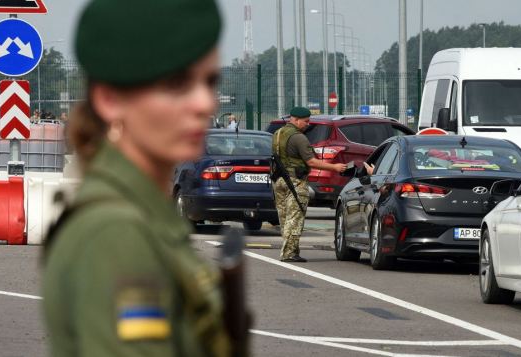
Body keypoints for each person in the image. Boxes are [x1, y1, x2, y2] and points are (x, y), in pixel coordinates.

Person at [41, 0, 232, 356]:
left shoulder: (142, 214)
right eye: (177, 84)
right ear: (110, 99)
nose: (205, 103)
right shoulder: (116, 232)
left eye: (210, 81)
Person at [272, 107, 347, 262]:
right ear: (296, 120)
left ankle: (289, 249)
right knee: (295, 216)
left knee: (284, 218)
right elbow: (311, 161)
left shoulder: (277, 134)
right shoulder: (299, 138)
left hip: (278, 180)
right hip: (294, 181)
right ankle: (289, 253)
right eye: (305, 121)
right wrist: (335, 167)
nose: (307, 124)